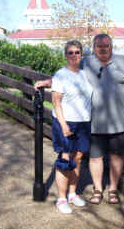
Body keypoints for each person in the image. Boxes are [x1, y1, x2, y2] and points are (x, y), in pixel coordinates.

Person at [35, 34, 124, 205]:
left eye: (106, 46)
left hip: (119, 121)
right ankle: (96, 189)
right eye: (99, 46)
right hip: (93, 122)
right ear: (94, 48)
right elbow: (66, 75)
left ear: (112, 46)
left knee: (117, 157)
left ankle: (112, 190)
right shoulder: (86, 62)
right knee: (95, 158)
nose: (103, 49)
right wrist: (46, 82)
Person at [50, 40, 93, 214]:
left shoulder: (84, 74)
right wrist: (63, 125)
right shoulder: (60, 75)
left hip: (84, 122)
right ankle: (61, 199)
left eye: (77, 52)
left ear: (81, 55)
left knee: (78, 158)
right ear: (65, 55)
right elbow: (56, 101)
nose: (74, 55)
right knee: (65, 159)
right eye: (70, 52)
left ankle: (73, 194)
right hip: (66, 122)